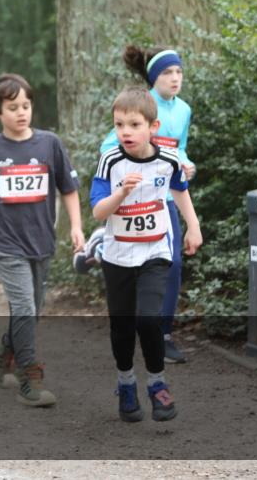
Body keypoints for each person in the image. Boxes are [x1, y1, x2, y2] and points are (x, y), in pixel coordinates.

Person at [0, 73, 85, 407]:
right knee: (23, 307)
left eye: (26, 105)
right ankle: (29, 380)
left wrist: (76, 227)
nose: (22, 112)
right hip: (7, 244)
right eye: (12, 107)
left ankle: (6, 350)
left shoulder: (49, 143)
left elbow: (68, 187)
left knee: (32, 312)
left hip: (42, 241)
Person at [90, 86, 202, 423]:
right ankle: (126, 383)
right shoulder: (111, 161)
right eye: (119, 124)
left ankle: (157, 384)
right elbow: (98, 211)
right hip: (119, 256)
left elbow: (180, 192)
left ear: (153, 127)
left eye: (134, 124)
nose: (126, 131)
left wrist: (193, 227)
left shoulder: (168, 160)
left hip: (155, 251)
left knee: (149, 318)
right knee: (122, 327)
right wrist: (122, 193)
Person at [99, 46, 194, 363]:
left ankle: (163, 334)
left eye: (179, 71)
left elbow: (180, 150)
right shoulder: (139, 105)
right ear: (154, 77)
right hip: (126, 200)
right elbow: (110, 147)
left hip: (161, 200)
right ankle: (98, 241)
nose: (175, 78)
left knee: (173, 266)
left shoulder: (183, 111)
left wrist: (185, 163)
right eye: (168, 72)